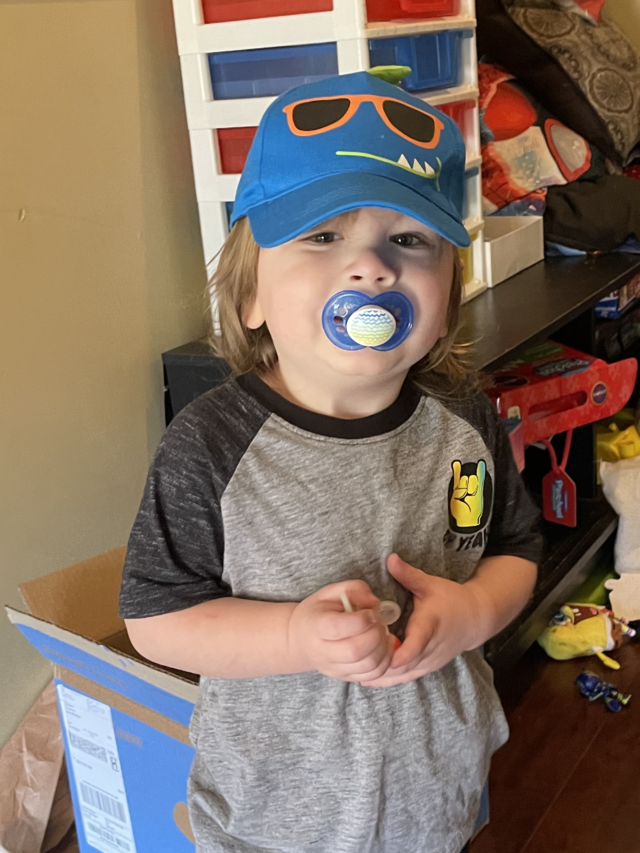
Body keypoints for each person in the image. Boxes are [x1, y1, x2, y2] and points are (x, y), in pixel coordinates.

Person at [119, 67, 542, 853]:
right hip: (272, 822)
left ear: (445, 301)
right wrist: (295, 637)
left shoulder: (466, 421)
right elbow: (156, 620)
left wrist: (473, 612)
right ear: (251, 294)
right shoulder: (209, 445)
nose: (371, 268)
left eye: (409, 240)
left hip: (435, 802)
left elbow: (517, 549)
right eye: (322, 236)